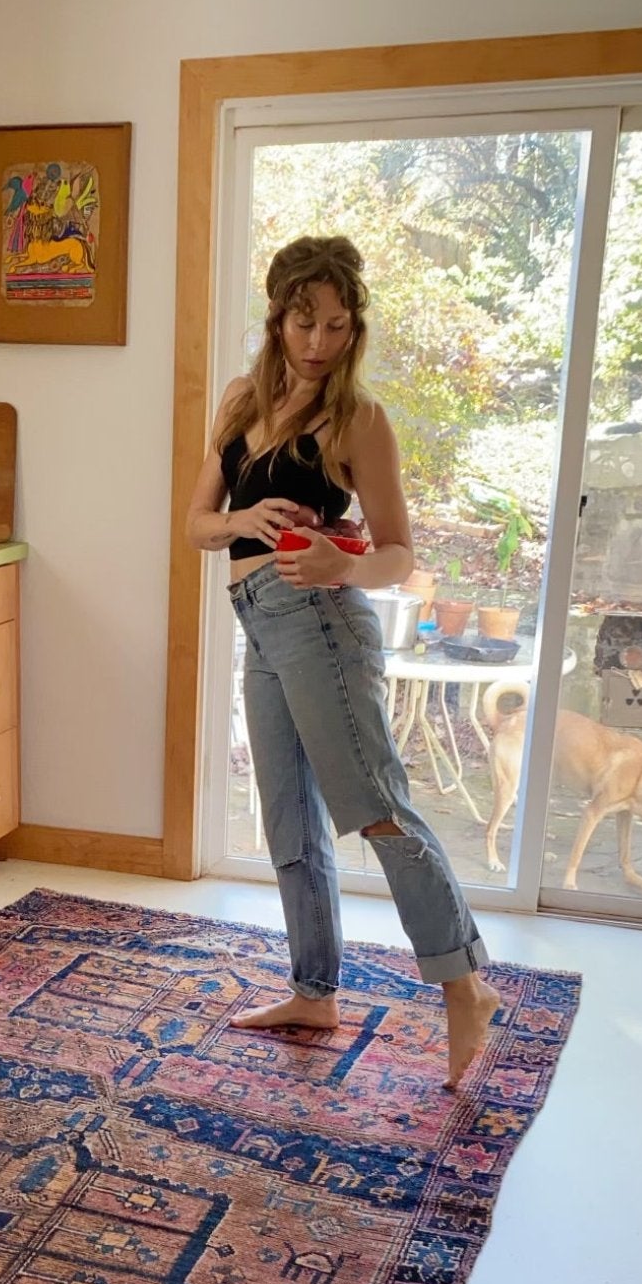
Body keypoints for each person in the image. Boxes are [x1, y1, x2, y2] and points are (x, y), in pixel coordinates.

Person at [185, 234, 500, 1088]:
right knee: (287, 813)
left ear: (353, 327)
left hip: (322, 619)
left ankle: (465, 984)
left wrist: (342, 565)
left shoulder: (360, 418)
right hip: (258, 619)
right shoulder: (242, 400)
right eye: (303, 321)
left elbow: (399, 553)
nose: (318, 342)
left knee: (374, 808)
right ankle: (313, 991)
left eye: (336, 324)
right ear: (277, 316)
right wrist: (241, 526)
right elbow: (195, 524)